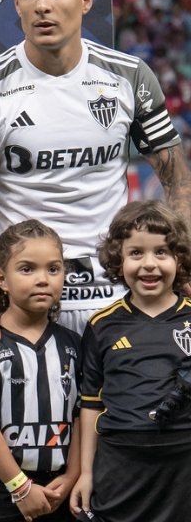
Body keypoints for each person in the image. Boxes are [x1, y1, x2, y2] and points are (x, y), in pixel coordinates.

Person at [0, 0, 190, 373]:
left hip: (118, 291)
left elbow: (179, 181)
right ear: (16, 3)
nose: (43, 5)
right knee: (34, 417)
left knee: (129, 417)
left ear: (85, 0)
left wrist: (184, 276)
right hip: (27, 298)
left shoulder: (129, 77)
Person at [70, 200, 191, 522]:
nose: (149, 264)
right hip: (120, 463)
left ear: (179, 259)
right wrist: (86, 473)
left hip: (183, 464)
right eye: (136, 253)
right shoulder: (102, 325)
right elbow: (90, 404)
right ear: (118, 259)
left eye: (161, 252)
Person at [0, 220, 79, 522]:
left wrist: (73, 475)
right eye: (27, 269)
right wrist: (20, 488)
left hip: (61, 490)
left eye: (53, 269)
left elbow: (83, 415)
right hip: (1, 493)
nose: (43, 280)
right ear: (2, 278)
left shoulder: (75, 345)